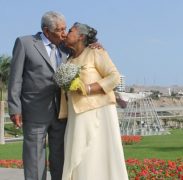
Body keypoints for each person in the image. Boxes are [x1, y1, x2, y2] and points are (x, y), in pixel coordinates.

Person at [60, 22, 128, 180]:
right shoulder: (68, 60)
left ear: (81, 36)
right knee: (77, 155)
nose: (66, 33)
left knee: (94, 154)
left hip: (98, 112)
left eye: (70, 31)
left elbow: (114, 77)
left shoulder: (96, 52)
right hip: (75, 115)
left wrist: (88, 88)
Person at [8, 11, 68, 180]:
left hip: (61, 113)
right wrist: (14, 108)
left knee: (60, 157)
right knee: (34, 158)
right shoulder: (25, 43)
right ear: (46, 30)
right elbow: (15, 78)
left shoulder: (65, 47)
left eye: (65, 28)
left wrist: (95, 43)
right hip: (34, 111)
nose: (64, 33)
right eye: (60, 29)